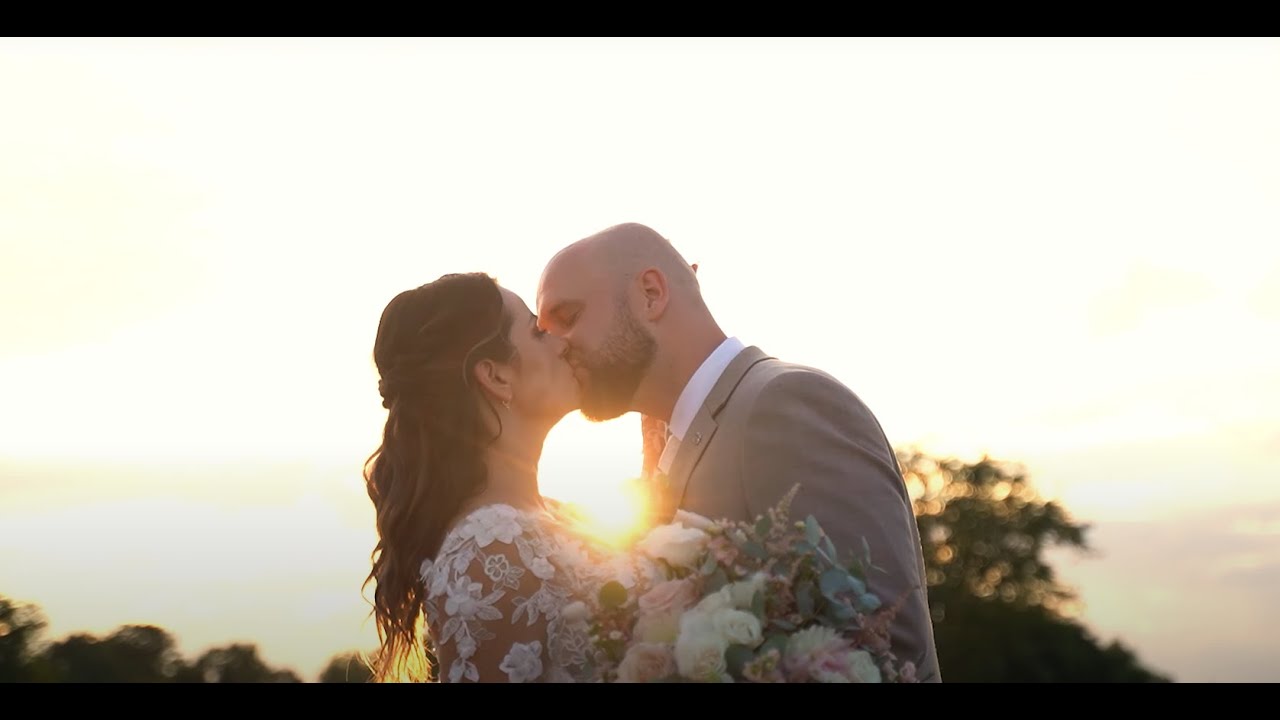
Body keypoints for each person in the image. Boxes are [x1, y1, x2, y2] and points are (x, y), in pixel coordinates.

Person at [536, 222, 942, 682]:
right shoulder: (668, 447)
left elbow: (885, 646)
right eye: (542, 331)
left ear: (651, 293)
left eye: (566, 318)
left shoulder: (786, 403)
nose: (556, 347)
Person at [362, 272, 640, 683]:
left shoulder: (559, 517)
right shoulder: (488, 553)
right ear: (495, 376)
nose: (563, 342)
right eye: (538, 332)